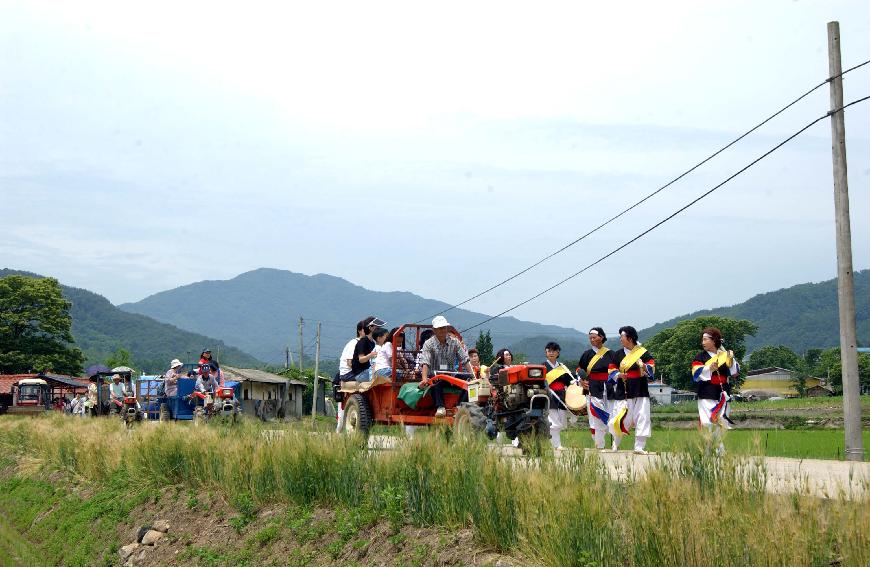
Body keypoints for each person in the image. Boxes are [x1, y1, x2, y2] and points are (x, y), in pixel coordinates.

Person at [607, 326, 655, 454]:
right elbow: (611, 369)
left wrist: (644, 366)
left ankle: (639, 447)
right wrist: (618, 375)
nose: (620, 339)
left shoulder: (643, 353)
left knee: (642, 416)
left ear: (630, 338)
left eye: (622, 336)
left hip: (641, 388)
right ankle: (615, 444)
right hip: (624, 389)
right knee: (621, 417)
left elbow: (651, 366)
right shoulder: (618, 354)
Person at [691, 327, 739, 453]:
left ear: (714, 341)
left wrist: (732, 359)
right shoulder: (700, 356)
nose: (703, 342)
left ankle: (709, 451)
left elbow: (734, 373)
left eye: (705, 339)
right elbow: (695, 373)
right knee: (709, 423)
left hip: (723, 393)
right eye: (702, 339)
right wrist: (709, 369)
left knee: (721, 423)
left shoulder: (724, 356)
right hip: (707, 392)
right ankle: (719, 452)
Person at [418, 316, 471, 417]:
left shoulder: (454, 342)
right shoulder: (429, 344)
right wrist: (424, 379)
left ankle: (460, 407)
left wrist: (473, 375)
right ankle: (440, 407)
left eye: (443, 327)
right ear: (434, 330)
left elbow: (465, 359)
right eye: (439, 328)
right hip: (436, 376)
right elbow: (425, 362)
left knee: (470, 381)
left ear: (447, 328)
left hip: (451, 375)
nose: (442, 330)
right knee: (435, 382)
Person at [577, 327, 615, 450]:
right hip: (592, 386)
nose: (592, 340)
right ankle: (599, 445)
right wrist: (581, 380)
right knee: (595, 415)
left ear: (601, 337)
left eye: (594, 337)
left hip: (608, 387)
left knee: (611, 413)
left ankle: (614, 443)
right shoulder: (587, 354)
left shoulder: (611, 354)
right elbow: (579, 370)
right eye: (590, 338)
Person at [543, 342, 572, 449]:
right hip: (549, 394)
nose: (551, 353)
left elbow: (570, 381)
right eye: (549, 351)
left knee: (561, 420)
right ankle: (557, 444)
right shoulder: (542, 366)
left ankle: (551, 442)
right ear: (546, 352)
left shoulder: (562, 367)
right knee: (553, 420)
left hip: (562, 395)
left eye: (553, 351)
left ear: (558, 352)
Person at [351, 317, 385, 382]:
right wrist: (370, 355)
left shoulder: (373, 343)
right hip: (360, 373)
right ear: (370, 328)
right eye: (377, 327)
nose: (379, 329)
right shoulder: (362, 342)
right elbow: (361, 359)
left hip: (368, 370)